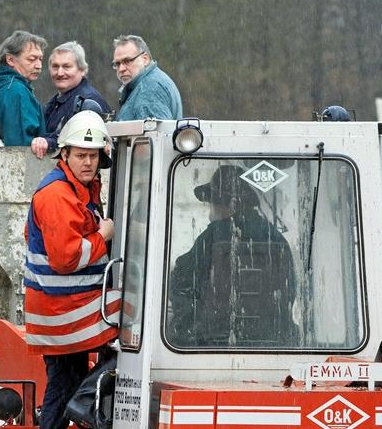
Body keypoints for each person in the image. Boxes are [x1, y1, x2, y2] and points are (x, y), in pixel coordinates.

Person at [23, 110, 119, 429]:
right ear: (64, 155)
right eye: (81, 155)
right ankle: (82, 403)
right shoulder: (57, 195)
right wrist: (103, 237)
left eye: (93, 156)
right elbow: (66, 259)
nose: (88, 162)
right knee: (136, 324)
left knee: (64, 378)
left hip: (68, 305)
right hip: (62, 308)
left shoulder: (82, 187)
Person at [167, 164, 298, 347]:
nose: (210, 216)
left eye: (212, 205)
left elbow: (182, 280)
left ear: (227, 206)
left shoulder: (215, 234)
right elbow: (289, 292)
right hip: (274, 339)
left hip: (214, 338)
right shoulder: (276, 238)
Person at [32, 41, 110, 159]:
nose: (60, 73)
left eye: (67, 67)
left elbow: (79, 142)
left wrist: (47, 142)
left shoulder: (89, 102)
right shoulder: (55, 103)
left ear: (82, 70)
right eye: (55, 66)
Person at [0, 30, 47, 148]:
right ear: (10, 60)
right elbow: (19, 147)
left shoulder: (3, 84)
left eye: (40, 59)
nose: (38, 65)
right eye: (32, 59)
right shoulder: (16, 92)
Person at [111, 34, 183, 122]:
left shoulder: (149, 89)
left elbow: (157, 134)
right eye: (117, 64)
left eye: (127, 61)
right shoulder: (155, 79)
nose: (121, 69)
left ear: (145, 59)